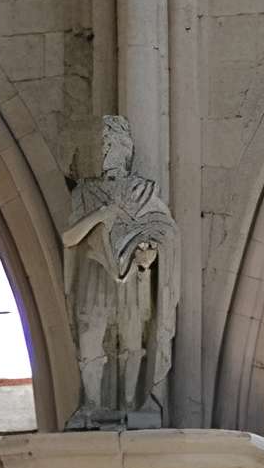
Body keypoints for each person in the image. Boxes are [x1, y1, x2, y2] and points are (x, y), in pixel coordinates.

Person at [63, 114, 179, 423]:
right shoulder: (85, 192)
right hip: (94, 272)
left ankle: (131, 405)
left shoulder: (142, 191)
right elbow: (69, 237)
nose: (105, 151)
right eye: (101, 144)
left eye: (112, 143)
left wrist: (150, 253)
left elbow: (164, 228)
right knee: (90, 337)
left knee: (132, 339)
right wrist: (102, 214)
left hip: (131, 274)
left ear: (125, 149)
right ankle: (91, 403)